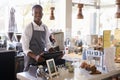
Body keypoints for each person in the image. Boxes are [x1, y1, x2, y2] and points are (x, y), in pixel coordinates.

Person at [21, 4, 53, 71]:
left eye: (40, 12)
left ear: (42, 14)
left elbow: (48, 44)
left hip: (41, 62)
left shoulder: (45, 28)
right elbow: (25, 49)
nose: (38, 14)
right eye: (36, 12)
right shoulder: (28, 28)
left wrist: (56, 54)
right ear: (32, 14)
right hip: (30, 63)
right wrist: (35, 57)